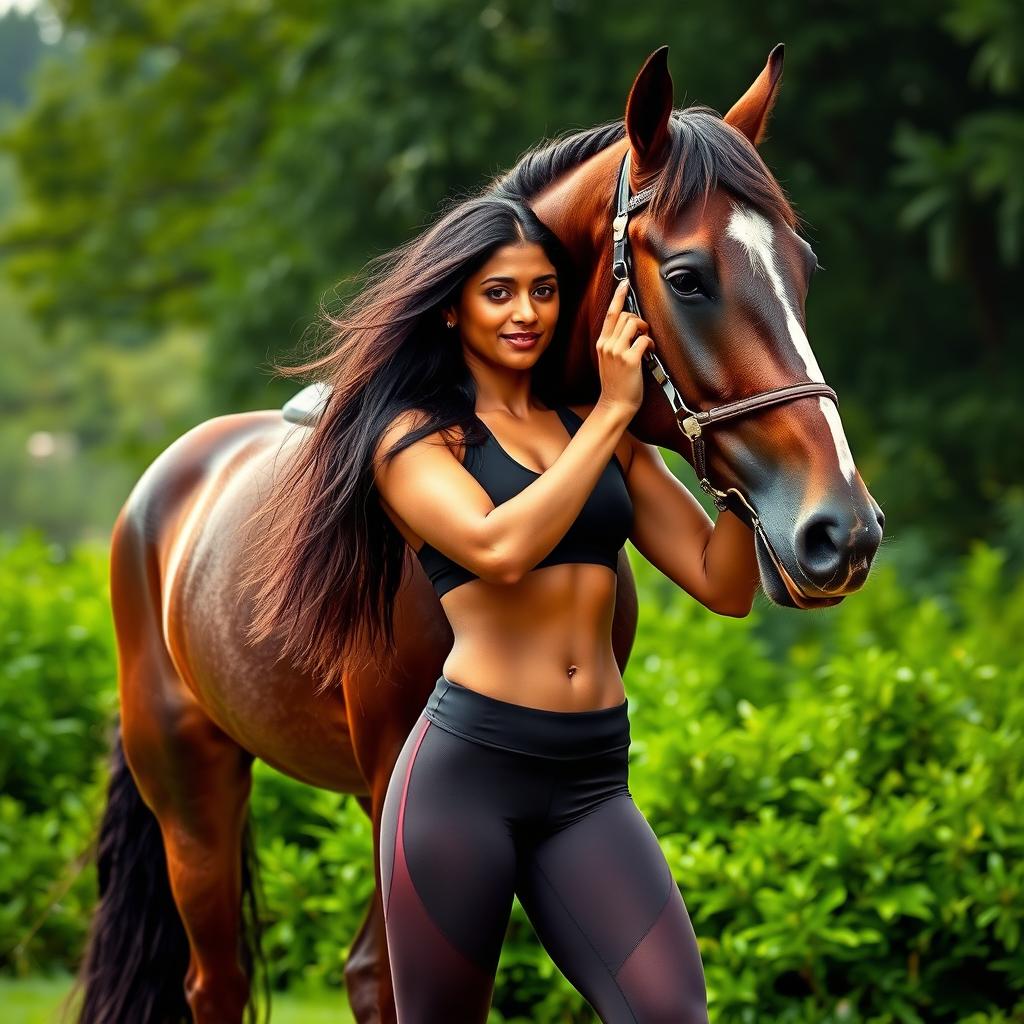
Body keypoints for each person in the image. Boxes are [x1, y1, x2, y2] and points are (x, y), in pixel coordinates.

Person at [363, 193, 759, 1024]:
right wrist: (615, 410)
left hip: (590, 781)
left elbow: (723, 583)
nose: (527, 313)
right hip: (465, 776)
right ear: (450, 308)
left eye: (544, 290)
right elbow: (498, 549)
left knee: (670, 1014)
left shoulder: (597, 431)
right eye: (498, 292)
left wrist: (746, 446)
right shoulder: (415, 441)